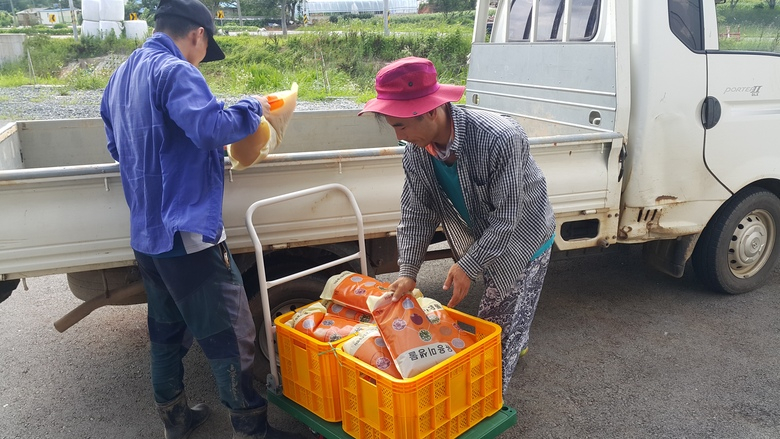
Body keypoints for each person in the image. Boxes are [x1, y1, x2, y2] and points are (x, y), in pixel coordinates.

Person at [99, 0, 305, 438]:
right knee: (231, 334)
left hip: (148, 235)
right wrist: (253, 107)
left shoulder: (120, 77)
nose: (200, 59)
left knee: (166, 330)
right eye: (203, 49)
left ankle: (175, 419)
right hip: (190, 235)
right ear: (198, 34)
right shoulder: (175, 71)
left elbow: (118, 148)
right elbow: (212, 130)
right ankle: (251, 429)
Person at [359, 57, 556, 392]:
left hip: (524, 236)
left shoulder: (501, 138)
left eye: (401, 126)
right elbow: (416, 211)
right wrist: (408, 271)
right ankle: (517, 338)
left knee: (495, 326)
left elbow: (508, 217)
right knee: (511, 310)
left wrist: (468, 264)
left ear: (432, 111)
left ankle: (488, 401)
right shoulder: (417, 150)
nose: (399, 136)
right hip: (484, 235)